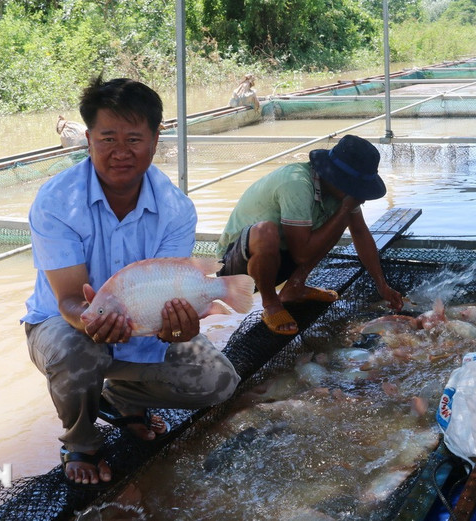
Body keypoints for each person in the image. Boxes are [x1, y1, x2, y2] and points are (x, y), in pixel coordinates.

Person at [22, 76, 241, 487]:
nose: (120, 152)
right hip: (64, 325)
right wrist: (89, 320)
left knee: (220, 383)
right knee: (78, 350)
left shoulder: (176, 209)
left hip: (143, 320)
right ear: (87, 138)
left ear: (157, 139)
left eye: (134, 139)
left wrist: (181, 327)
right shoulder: (57, 200)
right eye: (107, 139)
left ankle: (121, 400)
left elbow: (174, 290)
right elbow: (70, 299)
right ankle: (81, 442)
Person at [216, 134, 405, 336]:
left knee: (340, 221)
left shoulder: (338, 194)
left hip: (278, 259)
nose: (358, 195)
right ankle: (271, 304)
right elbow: (301, 254)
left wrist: (381, 284)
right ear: (339, 178)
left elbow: (360, 233)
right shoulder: (296, 183)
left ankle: (295, 288)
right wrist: (344, 210)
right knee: (267, 231)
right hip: (236, 269)